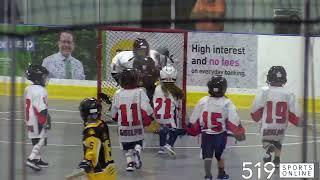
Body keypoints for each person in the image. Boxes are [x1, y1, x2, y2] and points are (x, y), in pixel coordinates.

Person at [187, 75, 245, 180]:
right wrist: (239, 131)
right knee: (220, 155)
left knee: (207, 156)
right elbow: (234, 119)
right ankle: (221, 174)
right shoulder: (227, 102)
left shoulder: (203, 100)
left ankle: (208, 175)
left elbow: (194, 117)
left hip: (206, 134)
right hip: (220, 135)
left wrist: (191, 127)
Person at [250, 66, 300, 168]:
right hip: (281, 126)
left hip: (267, 126)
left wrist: (255, 117)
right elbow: (293, 112)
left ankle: (268, 148)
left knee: (266, 141)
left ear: (270, 77)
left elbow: (256, 109)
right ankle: (277, 160)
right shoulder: (289, 93)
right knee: (279, 141)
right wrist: (297, 121)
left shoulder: (264, 91)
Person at [111, 68, 154, 171]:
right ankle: (138, 149)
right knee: (139, 141)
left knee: (126, 147)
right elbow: (147, 109)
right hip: (137, 125)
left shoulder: (118, 93)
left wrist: (115, 118)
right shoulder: (139, 92)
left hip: (123, 127)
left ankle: (130, 163)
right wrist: (150, 117)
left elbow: (114, 111)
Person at [110, 38, 168, 105]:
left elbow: (163, 65)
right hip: (131, 80)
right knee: (128, 95)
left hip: (148, 79)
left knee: (150, 92)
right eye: (140, 51)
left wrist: (155, 74)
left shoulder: (155, 56)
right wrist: (125, 82)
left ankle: (150, 102)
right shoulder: (123, 59)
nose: (142, 53)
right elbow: (114, 71)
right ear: (134, 51)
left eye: (144, 51)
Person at [77, 98, 117, 180]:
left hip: (98, 174)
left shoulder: (91, 130)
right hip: (110, 171)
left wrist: (87, 162)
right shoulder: (102, 125)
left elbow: (92, 153)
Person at [153, 65, 185, 155]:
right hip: (168, 116)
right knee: (174, 130)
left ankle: (161, 148)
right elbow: (177, 104)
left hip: (157, 116)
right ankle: (169, 144)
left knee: (163, 129)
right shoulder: (176, 91)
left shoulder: (157, 88)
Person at [24, 64, 51, 171]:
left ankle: (37, 159)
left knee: (35, 139)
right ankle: (31, 159)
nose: (45, 79)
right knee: (42, 138)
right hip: (36, 118)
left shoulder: (28, 88)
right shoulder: (41, 91)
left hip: (28, 118)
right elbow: (42, 108)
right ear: (38, 78)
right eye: (44, 77)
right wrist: (46, 120)